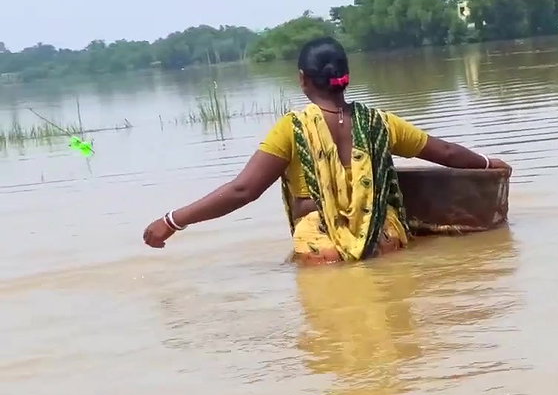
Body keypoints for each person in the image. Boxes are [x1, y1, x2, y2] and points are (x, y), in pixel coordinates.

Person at [142, 37, 510, 264]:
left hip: (321, 246)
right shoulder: (379, 123)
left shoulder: (292, 128)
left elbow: (244, 190)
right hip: (383, 238)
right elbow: (445, 153)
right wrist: (487, 163)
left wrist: (173, 220)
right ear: (346, 78)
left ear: (303, 79)